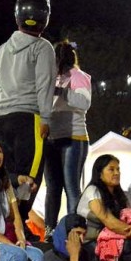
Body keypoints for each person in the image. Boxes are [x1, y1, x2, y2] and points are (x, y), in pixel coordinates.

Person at [0, 0, 56, 209]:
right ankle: (21, 219)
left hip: (1, 118)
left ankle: (6, 219)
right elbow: (45, 86)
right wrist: (45, 118)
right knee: (29, 177)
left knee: (7, 174)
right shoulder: (42, 47)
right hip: (29, 119)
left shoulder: (1, 50)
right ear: (45, 16)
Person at [44, 40, 91, 234]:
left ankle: (74, 230)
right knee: (52, 187)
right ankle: (50, 230)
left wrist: (62, 92)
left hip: (74, 137)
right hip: (51, 138)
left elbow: (84, 102)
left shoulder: (78, 76)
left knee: (71, 186)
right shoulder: (50, 78)